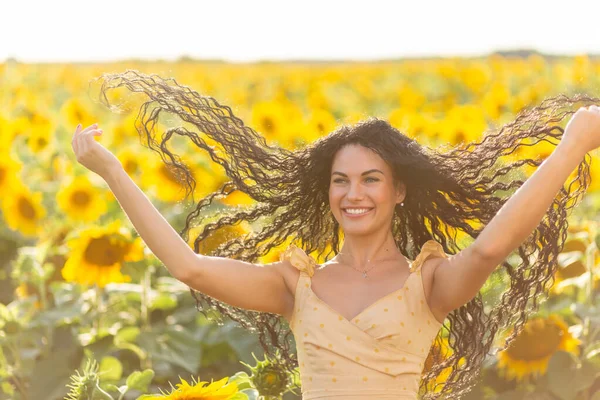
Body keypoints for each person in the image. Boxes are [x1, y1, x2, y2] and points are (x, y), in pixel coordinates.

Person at [71, 70, 600, 399]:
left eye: (372, 179)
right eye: (340, 181)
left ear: (398, 192)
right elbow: (190, 267)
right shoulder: (295, 286)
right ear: (327, 194)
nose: (355, 194)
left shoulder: (429, 283)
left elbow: (489, 248)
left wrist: (571, 148)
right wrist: (113, 171)